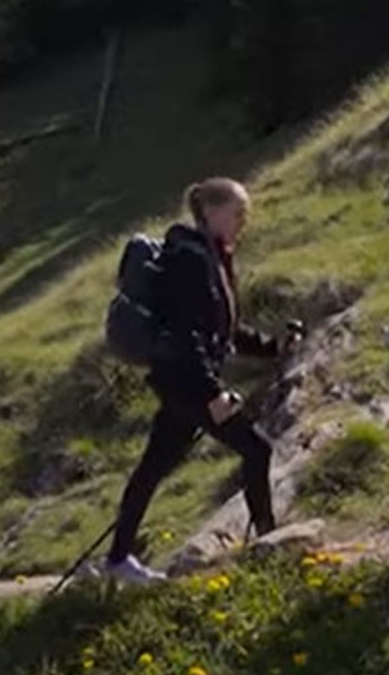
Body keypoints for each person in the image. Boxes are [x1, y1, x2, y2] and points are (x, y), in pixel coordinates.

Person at [100, 178, 291, 585]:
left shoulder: (211, 255)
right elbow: (187, 333)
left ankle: (117, 560)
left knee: (152, 469)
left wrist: (272, 348)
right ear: (212, 212)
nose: (245, 220)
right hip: (187, 382)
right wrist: (212, 392)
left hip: (180, 380)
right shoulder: (191, 257)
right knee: (256, 450)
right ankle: (267, 544)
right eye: (238, 211)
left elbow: (222, 328)